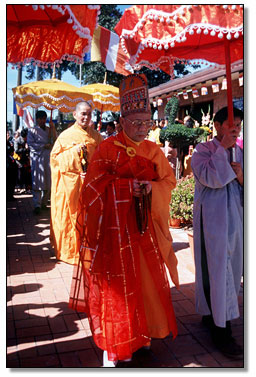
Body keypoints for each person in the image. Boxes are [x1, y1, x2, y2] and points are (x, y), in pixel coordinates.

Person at [69, 74, 179, 367]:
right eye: (136, 124)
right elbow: (91, 189)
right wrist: (122, 187)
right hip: (115, 234)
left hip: (144, 231)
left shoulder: (153, 150)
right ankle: (119, 344)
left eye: (147, 123)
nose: (143, 129)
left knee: (144, 285)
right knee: (118, 289)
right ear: (122, 122)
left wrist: (148, 188)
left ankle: (143, 337)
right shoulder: (107, 149)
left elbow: (168, 183)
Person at [191, 106, 243, 358]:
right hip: (212, 221)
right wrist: (222, 149)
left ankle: (214, 314)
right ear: (218, 125)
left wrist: (242, 176)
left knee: (231, 270)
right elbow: (211, 178)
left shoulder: (242, 152)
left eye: (239, 127)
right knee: (217, 269)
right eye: (231, 126)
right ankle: (222, 331)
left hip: (234, 218)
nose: (236, 131)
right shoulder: (203, 151)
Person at [50, 101, 103, 265]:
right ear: (75, 115)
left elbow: (103, 158)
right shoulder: (66, 136)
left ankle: (90, 250)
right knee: (71, 216)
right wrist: (75, 153)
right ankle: (70, 251)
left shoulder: (96, 136)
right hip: (71, 186)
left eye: (89, 114)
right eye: (83, 114)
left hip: (91, 184)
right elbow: (55, 160)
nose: (86, 117)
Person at [27, 111, 55, 214]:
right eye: (41, 119)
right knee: (37, 181)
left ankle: (44, 203)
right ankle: (37, 205)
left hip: (48, 158)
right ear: (37, 119)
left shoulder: (49, 129)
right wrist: (43, 146)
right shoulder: (32, 131)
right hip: (38, 158)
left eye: (44, 118)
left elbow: (55, 140)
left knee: (48, 181)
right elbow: (30, 144)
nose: (43, 121)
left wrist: (53, 129)